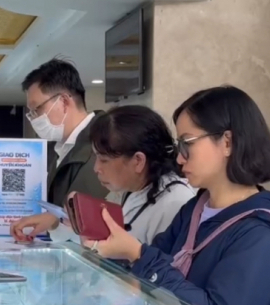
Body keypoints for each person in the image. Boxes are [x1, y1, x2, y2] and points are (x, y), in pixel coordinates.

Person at [87, 86, 270, 305]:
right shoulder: (196, 207)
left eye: (187, 143)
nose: (179, 159)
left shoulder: (262, 233)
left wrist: (137, 253)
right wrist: (117, 252)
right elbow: (160, 261)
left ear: (227, 142)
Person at [12, 105, 195, 244]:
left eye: (104, 160)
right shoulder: (132, 190)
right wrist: (55, 222)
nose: (96, 168)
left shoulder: (175, 203)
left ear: (138, 161)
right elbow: (100, 237)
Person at [9, 58, 108, 240]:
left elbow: (95, 217)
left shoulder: (104, 144)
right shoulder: (56, 149)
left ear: (63, 102)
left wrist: (55, 221)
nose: (33, 118)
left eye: (37, 109)